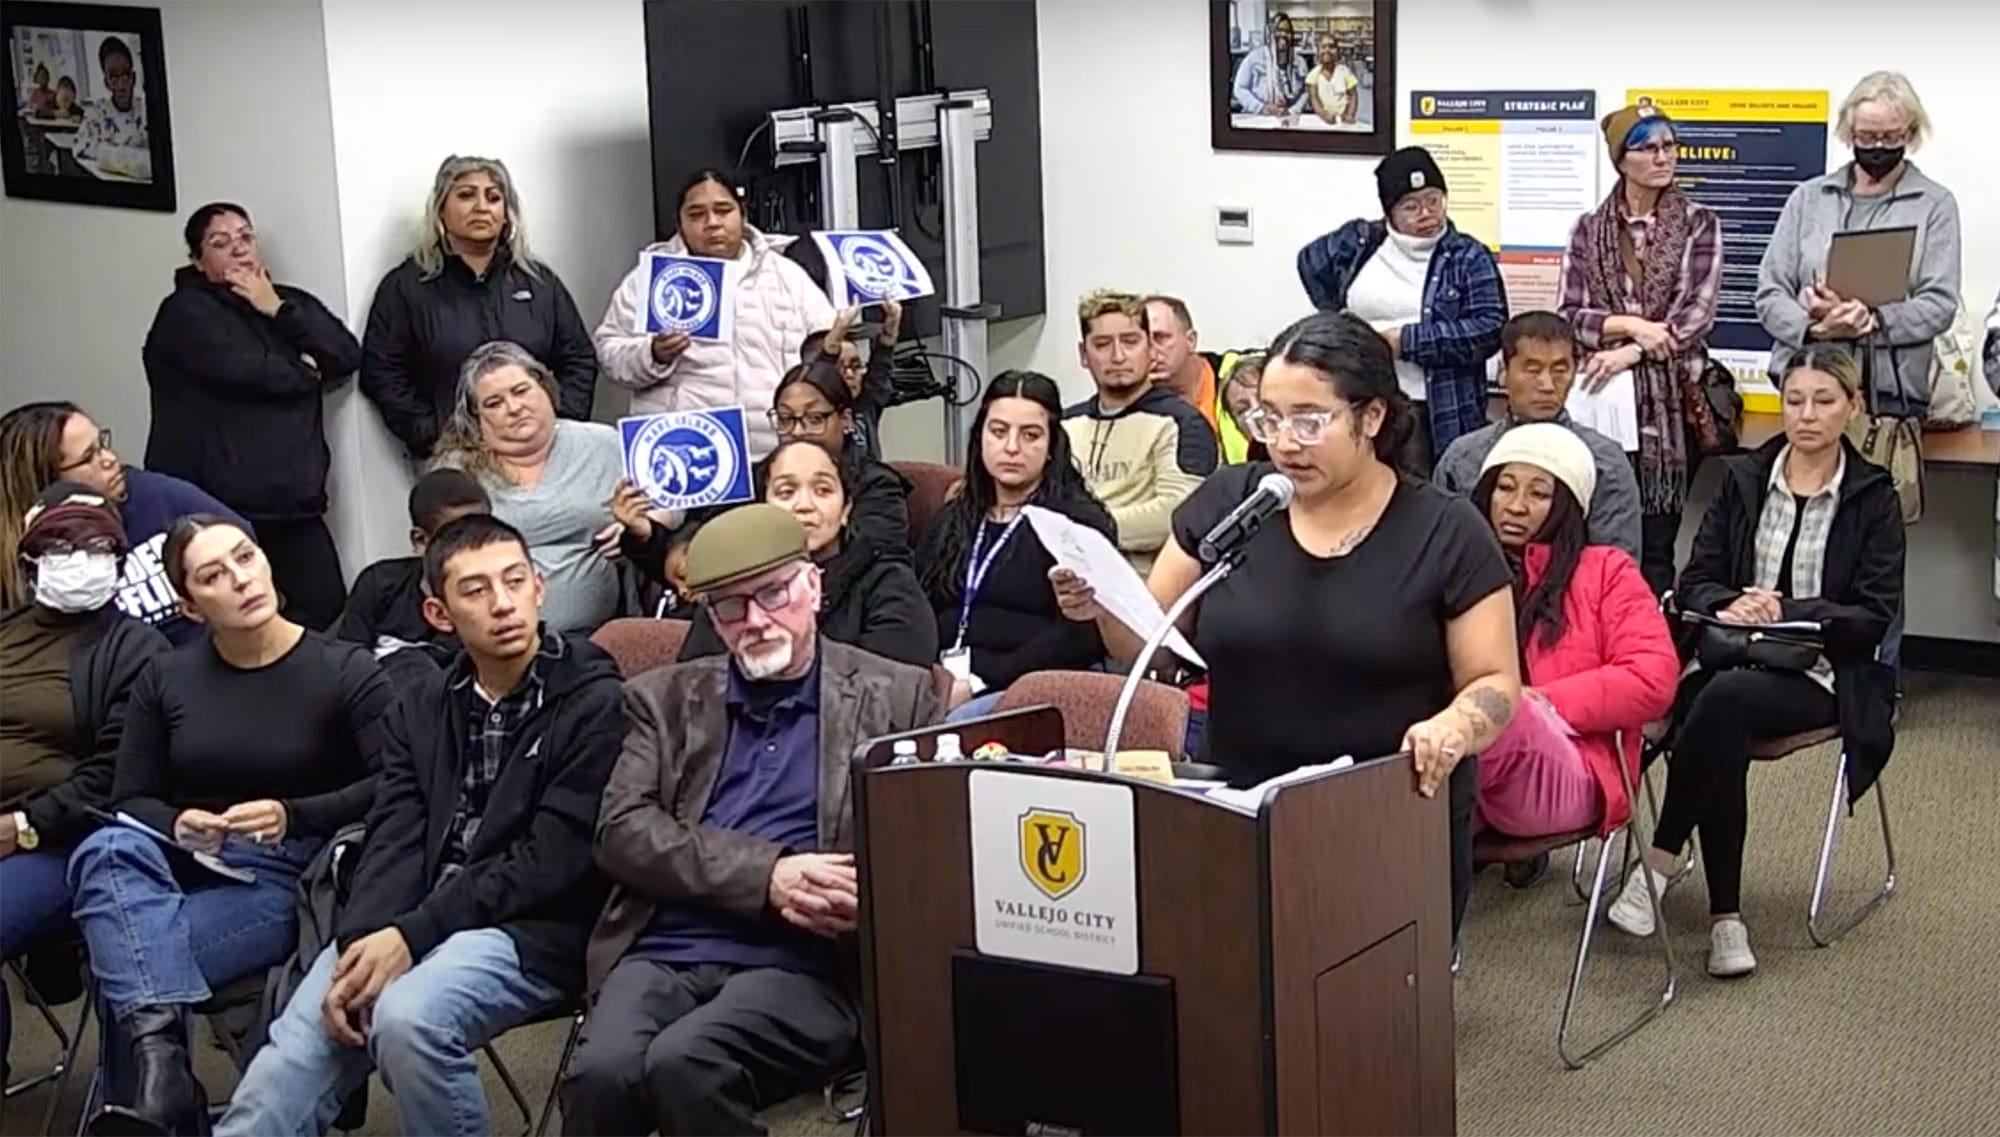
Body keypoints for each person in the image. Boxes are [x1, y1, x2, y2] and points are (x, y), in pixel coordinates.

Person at [1052, 311, 1521, 935]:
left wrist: (1455, 726)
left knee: (1366, 985)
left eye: (1309, 420)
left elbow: (1495, 682)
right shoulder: (1234, 504)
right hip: (1241, 803)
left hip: (1386, 811)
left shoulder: (1445, 531)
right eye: (1268, 418)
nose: (1285, 442)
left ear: (1371, 418)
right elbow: (1154, 644)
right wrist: (1103, 606)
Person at [216, 514, 624, 1137]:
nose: (503, 604)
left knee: (408, 1019)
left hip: (532, 928)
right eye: (475, 590)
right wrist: (361, 941)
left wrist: (412, 934)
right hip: (416, 915)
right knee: (289, 1057)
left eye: (515, 581)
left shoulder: (594, 702)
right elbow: (395, 834)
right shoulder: (424, 705)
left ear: (540, 588)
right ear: (439, 613)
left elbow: (550, 860)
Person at [560, 504, 942, 1135]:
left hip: (806, 963)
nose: (756, 621)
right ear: (711, 618)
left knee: (685, 1063)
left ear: (813, 586)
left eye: (773, 594)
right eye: (732, 607)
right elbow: (621, 831)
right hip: (666, 949)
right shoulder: (665, 699)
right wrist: (768, 876)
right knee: (603, 1073)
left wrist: (870, 901)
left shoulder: (898, 697)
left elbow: (930, 851)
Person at [67, 515, 391, 1135]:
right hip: (188, 862)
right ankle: (165, 1083)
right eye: (213, 575)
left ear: (266, 561)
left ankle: (161, 1101)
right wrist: (177, 821)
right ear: (190, 607)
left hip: (292, 875)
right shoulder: (167, 676)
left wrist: (293, 814)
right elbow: (130, 797)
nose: (240, 579)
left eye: (245, 557)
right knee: (106, 847)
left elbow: (397, 786)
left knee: (125, 961)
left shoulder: (343, 668)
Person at [1606, 346, 1904, 978]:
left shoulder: (1873, 497)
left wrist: (1787, 608)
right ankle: (1726, 922)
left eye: (1824, 401)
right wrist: (1731, 602)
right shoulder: (1745, 479)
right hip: (1731, 655)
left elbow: (1873, 615)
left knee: (1719, 703)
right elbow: (1695, 581)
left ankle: (1658, 864)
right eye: (1794, 400)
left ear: (1852, 407)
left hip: (1824, 673)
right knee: (1721, 713)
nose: (1807, 415)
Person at [0, 486, 167, 1083]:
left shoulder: (137, 650)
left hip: (57, 841)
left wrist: (22, 826)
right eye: (62, 546)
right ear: (29, 562)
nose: (81, 559)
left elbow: (115, 774)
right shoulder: (6, 632)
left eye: (99, 548)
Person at [143, 201, 362, 631]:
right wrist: (309, 370)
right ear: (198, 260)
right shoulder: (185, 312)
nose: (239, 249)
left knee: (325, 603)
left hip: (291, 497)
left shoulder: (284, 300)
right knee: (233, 612)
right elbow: (252, 373)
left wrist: (277, 309)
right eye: (220, 242)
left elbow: (345, 354)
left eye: (246, 237)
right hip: (219, 500)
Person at [1467, 425, 1677, 847]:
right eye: (1504, 488)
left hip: (1578, 765)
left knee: (1502, 711)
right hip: (1466, 758)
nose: (1516, 506)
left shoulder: (1606, 571)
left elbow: (1652, 678)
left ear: (1565, 506)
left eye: (1539, 494)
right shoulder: (1458, 569)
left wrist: (1540, 702)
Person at [1559, 104, 1726, 596]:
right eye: (1648, 148)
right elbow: (1570, 315)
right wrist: (1633, 327)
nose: (1662, 157)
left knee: (1655, 543)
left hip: (1671, 405)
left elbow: (1696, 313)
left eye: (1669, 146)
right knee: (1596, 534)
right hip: (1602, 403)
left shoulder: (1698, 223)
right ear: (1621, 159)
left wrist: (1629, 352)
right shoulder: (1589, 229)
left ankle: (1650, 635)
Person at [362, 155, 599, 461]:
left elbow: (579, 358)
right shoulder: (406, 287)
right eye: (466, 195)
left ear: (507, 214)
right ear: (440, 210)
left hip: (540, 454)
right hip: (455, 459)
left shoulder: (539, 283)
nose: (481, 207)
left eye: (493, 197)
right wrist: (433, 434)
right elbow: (382, 371)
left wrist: (557, 423)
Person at [1757, 72, 1959, 427]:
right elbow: (1770, 293)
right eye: (1866, 136)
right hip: (1807, 386)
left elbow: (1939, 304)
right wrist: (1815, 329)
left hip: (1890, 394)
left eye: (1891, 136)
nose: (1878, 146)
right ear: (1849, 133)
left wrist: (1871, 321)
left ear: (1911, 133)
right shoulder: (1809, 198)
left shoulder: (1934, 204)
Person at [595, 168, 836, 461]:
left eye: (723, 211)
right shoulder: (652, 280)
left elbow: (827, 349)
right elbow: (609, 352)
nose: (712, 223)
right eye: (696, 215)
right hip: (689, 451)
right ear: (679, 223)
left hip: (777, 449)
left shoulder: (787, 275)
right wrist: (653, 354)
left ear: (743, 214)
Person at [919, 372, 1116, 721]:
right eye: (999, 432)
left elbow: (1081, 638)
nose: (1012, 447)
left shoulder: (1077, 525)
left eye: (1030, 435)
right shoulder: (952, 519)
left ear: (1052, 445)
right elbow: (918, 606)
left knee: (954, 724)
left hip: (1030, 688)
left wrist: (980, 681)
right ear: (980, 437)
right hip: (943, 682)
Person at [1297, 147, 1507, 471]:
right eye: (1411, 206)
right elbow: (1309, 263)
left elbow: (1490, 328)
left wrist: (1405, 342)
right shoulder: (1361, 242)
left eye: (1434, 200)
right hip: (1364, 399)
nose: (1426, 214)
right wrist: (1340, 321)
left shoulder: (1468, 256)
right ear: (1389, 211)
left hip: (1433, 409)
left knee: (1420, 491)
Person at [0, 400, 247, 644]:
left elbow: (239, 536)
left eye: (102, 444)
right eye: (88, 458)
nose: (109, 459)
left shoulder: (149, 493)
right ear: (47, 481)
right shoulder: (29, 568)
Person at [675, 438, 935, 668]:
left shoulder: (888, 582)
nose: (804, 505)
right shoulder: (732, 583)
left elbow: (892, 686)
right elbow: (696, 683)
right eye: (786, 492)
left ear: (846, 509)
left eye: (822, 491)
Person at [431, 341, 627, 635]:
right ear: (475, 418)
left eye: (521, 391)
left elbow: (666, 505)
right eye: (494, 403)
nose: (514, 408)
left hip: (599, 634)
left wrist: (634, 531)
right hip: (491, 638)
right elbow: (441, 556)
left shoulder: (603, 443)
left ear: (544, 388)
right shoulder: (455, 472)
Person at [1434, 311, 1643, 557]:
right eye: (1532, 370)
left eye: (1560, 370)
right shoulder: (1463, 458)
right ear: (1504, 371)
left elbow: (1617, 566)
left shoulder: (1604, 462)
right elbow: (1442, 553)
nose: (1547, 385)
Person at [1065, 289, 1218, 572]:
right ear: (1084, 354)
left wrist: (1083, 525)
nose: (1118, 356)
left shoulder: (1183, 423)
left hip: (1146, 584)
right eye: (1102, 344)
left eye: (1130, 341)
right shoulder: (1065, 426)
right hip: (1065, 579)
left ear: (1150, 349)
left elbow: (1177, 514)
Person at [335, 468, 491, 660]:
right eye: (456, 539)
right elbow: (346, 664)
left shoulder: (499, 598)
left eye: (485, 534)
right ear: (420, 541)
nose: (475, 548)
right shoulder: (379, 585)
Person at [799, 300, 901, 461]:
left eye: (855, 366)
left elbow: (880, 371)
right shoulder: (809, 414)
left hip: (871, 477)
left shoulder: (865, 405)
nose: (850, 374)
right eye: (839, 368)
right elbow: (817, 381)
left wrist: (890, 331)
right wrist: (836, 336)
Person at [71, 36, 149, 179]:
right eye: (113, 77)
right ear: (106, 83)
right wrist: (117, 155)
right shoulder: (97, 114)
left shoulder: (145, 110)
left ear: (134, 78)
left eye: (125, 75)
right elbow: (78, 147)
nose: (121, 84)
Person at [1143, 295, 1220, 434]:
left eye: (1161, 338)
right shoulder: (1127, 402)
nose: (1151, 352)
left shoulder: (1242, 379)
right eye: (1141, 341)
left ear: (1191, 340)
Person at [1230, 13, 1304, 117]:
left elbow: (1306, 92)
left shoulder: (1299, 62)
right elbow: (1239, 89)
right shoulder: (1254, 58)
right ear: (1270, 33)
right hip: (1258, 117)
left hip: (1289, 118)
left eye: (1287, 31)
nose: (1283, 34)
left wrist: (1294, 110)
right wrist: (1261, 107)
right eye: (1279, 30)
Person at [1306, 39, 1359, 125]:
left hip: (1343, 119)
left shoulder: (1345, 72)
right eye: (1323, 47)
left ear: (1338, 51)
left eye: (1331, 47)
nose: (1327, 50)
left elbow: (1353, 95)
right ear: (1318, 51)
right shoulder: (1313, 74)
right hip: (1321, 119)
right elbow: (1313, 98)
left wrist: (1350, 114)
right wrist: (1324, 115)